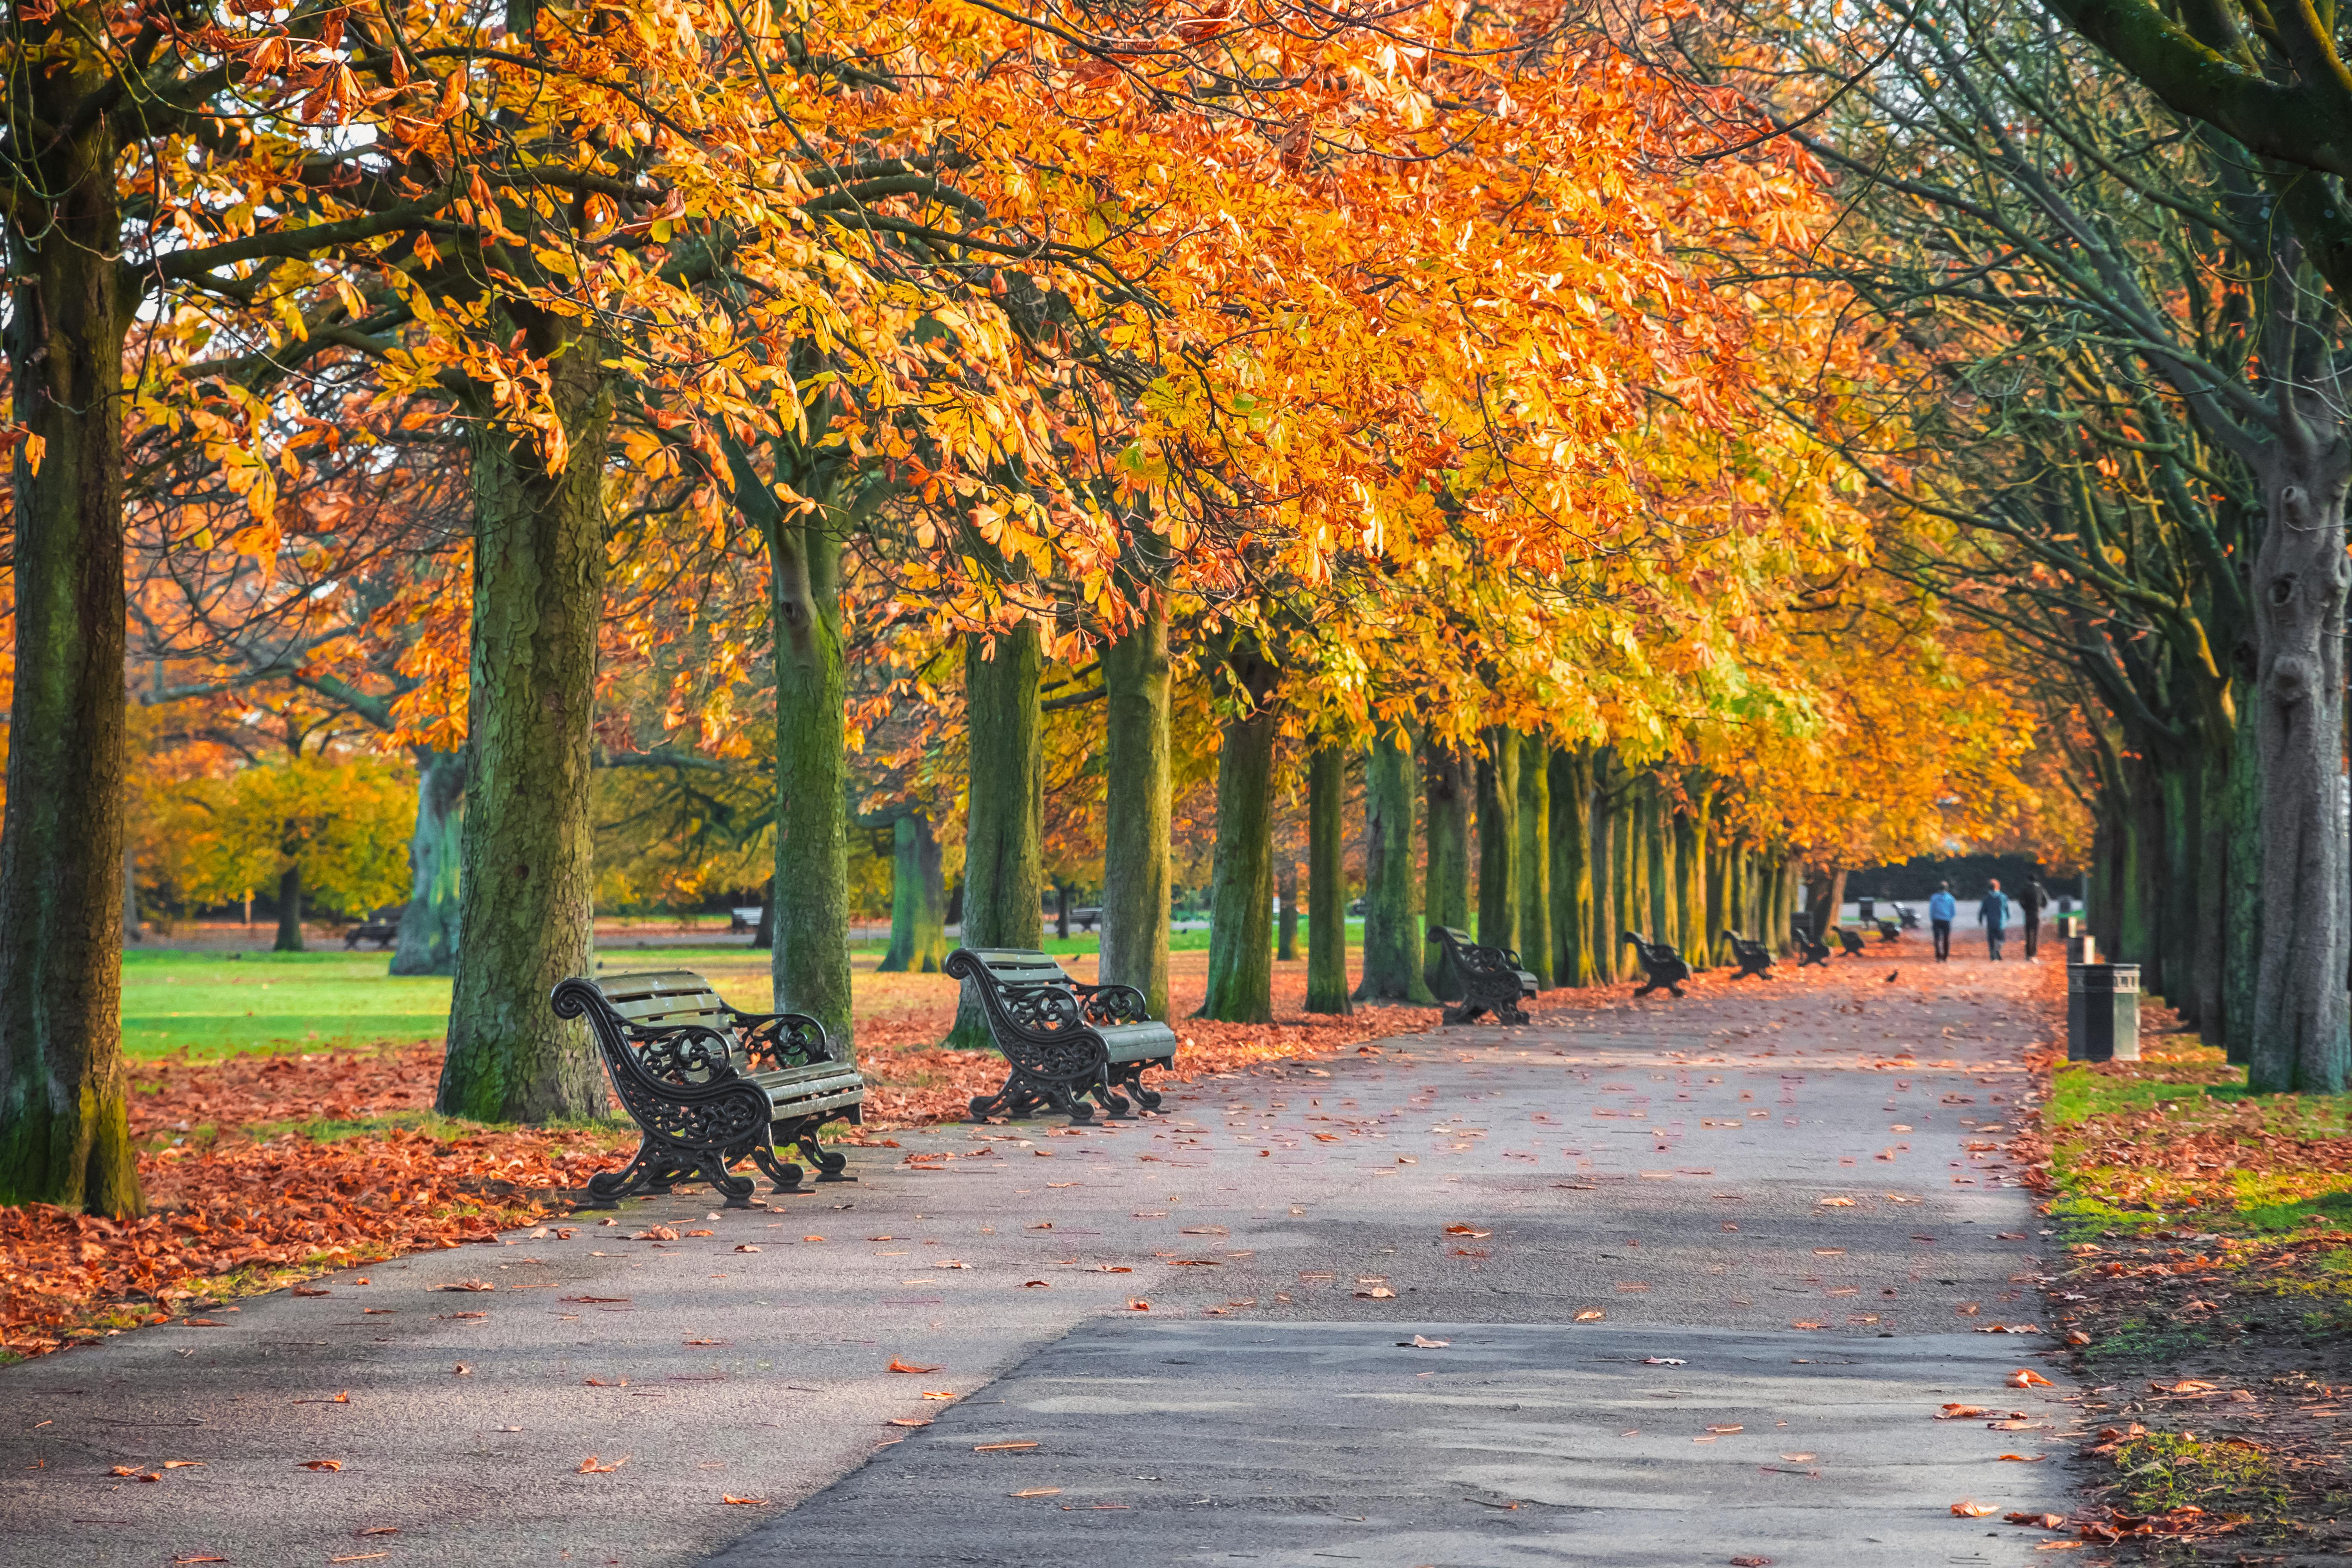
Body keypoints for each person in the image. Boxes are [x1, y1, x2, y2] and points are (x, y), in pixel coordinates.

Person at [1978, 879, 2011, 961]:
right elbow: (2006, 908)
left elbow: (1983, 911)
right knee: (2001, 939)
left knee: (1991, 940)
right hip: (2001, 922)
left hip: (1991, 922)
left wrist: (1980, 919)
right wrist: (2008, 917)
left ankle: (1993, 954)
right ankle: (1998, 951)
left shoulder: (1987, 899)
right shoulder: (2003, 897)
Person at [2018, 876, 2048, 960]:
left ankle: (2028, 954)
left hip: (2028, 913)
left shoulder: (2025, 889)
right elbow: (2046, 901)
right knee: (2035, 934)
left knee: (2028, 934)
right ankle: (2034, 953)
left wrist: (2025, 908)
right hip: (2036, 913)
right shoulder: (2040, 888)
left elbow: (2021, 900)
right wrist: (2041, 908)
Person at [1928, 882, 1956, 962]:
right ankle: (1946, 956)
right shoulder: (1950, 898)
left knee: (1937, 939)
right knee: (1946, 939)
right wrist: (1949, 918)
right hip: (1946, 920)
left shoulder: (1934, 897)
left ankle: (1938, 956)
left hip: (1936, 920)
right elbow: (1953, 911)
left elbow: (1932, 910)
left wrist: (1932, 918)